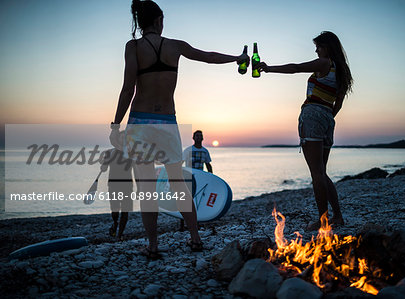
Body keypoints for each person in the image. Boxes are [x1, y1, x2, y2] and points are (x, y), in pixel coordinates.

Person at [110, 0, 249, 258]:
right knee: (178, 184)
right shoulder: (175, 46)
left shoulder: (134, 47)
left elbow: (128, 89)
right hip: (167, 122)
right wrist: (237, 58)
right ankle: (195, 239)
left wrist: (115, 125)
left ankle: (152, 246)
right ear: (159, 20)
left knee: (146, 187)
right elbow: (208, 57)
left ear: (141, 23)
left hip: (140, 122)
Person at [257, 31, 353, 231]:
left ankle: (323, 220)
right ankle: (338, 217)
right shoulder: (342, 70)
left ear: (327, 47)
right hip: (328, 117)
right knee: (322, 172)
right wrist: (325, 116)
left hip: (312, 115)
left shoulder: (325, 63)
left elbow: (296, 68)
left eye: (318, 46)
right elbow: (339, 104)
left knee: (316, 173)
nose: (316, 50)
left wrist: (268, 69)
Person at [100, 148, 134, 241]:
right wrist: (104, 162)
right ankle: (115, 223)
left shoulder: (131, 152)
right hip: (113, 185)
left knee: (125, 211)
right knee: (115, 211)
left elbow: (136, 169)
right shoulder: (109, 152)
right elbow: (104, 168)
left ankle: (119, 235)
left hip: (127, 185)